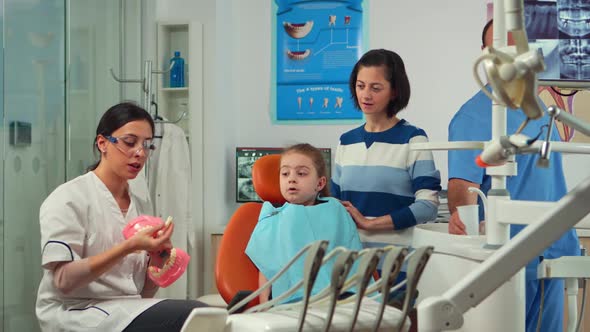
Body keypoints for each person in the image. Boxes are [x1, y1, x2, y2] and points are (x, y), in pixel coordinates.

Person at [447, 19, 579, 332]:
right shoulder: (475, 115)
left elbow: (550, 183)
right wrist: (468, 226)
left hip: (552, 251)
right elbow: (461, 192)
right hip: (509, 259)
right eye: (498, 47)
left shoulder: (539, 112)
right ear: (485, 54)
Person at [35, 102, 206, 332]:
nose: (140, 153)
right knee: (193, 315)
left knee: (204, 315)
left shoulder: (140, 203)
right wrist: (128, 247)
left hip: (126, 308)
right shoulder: (68, 199)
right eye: (130, 142)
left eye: (147, 145)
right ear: (102, 143)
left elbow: (141, 292)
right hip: (75, 311)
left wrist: (156, 261)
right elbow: (63, 281)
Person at [331, 49, 441, 236]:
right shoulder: (346, 142)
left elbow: (428, 206)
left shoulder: (413, 139)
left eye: (375, 88)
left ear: (394, 91)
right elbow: (334, 204)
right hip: (351, 258)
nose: (365, 95)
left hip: (396, 259)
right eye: (360, 86)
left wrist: (370, 224)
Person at [245, 143, 364, 304]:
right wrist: (265, 304)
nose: (291, 179)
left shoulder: (335, 211)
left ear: (320, 184)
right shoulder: (274, 218)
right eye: (285, 173)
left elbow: (352, 257)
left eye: (301, 173)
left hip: (338, 297)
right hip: (292, 301)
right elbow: (267, 264)